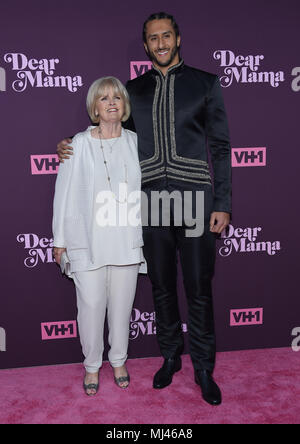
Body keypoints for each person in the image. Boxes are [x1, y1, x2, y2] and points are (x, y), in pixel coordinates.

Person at [57, 12, 232, 406]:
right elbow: (105, 124)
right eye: (153, 38)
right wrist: (69, 142)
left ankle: (204, 368)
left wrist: (222, 203)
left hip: (194, 201)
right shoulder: (132, 91)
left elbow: (220, 148)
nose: (161, 43)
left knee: (199, 288)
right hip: (149, 202)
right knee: (162, 287)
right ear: (146, 45)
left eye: (166, 36)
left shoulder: (206, 84)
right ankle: (170, 356)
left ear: (178, 38)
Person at [53, 76, 145, 396]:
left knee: (121, 307)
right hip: (87, 241)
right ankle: (92, 365)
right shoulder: (76, 144)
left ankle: (118, 360)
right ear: (94, 107)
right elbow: (62, 194)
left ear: (124, 104)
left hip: (125, 241)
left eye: (116, 97)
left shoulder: (137, 142)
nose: (111, 103)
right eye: (103, 98)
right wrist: (58, 240)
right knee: (90, 307)